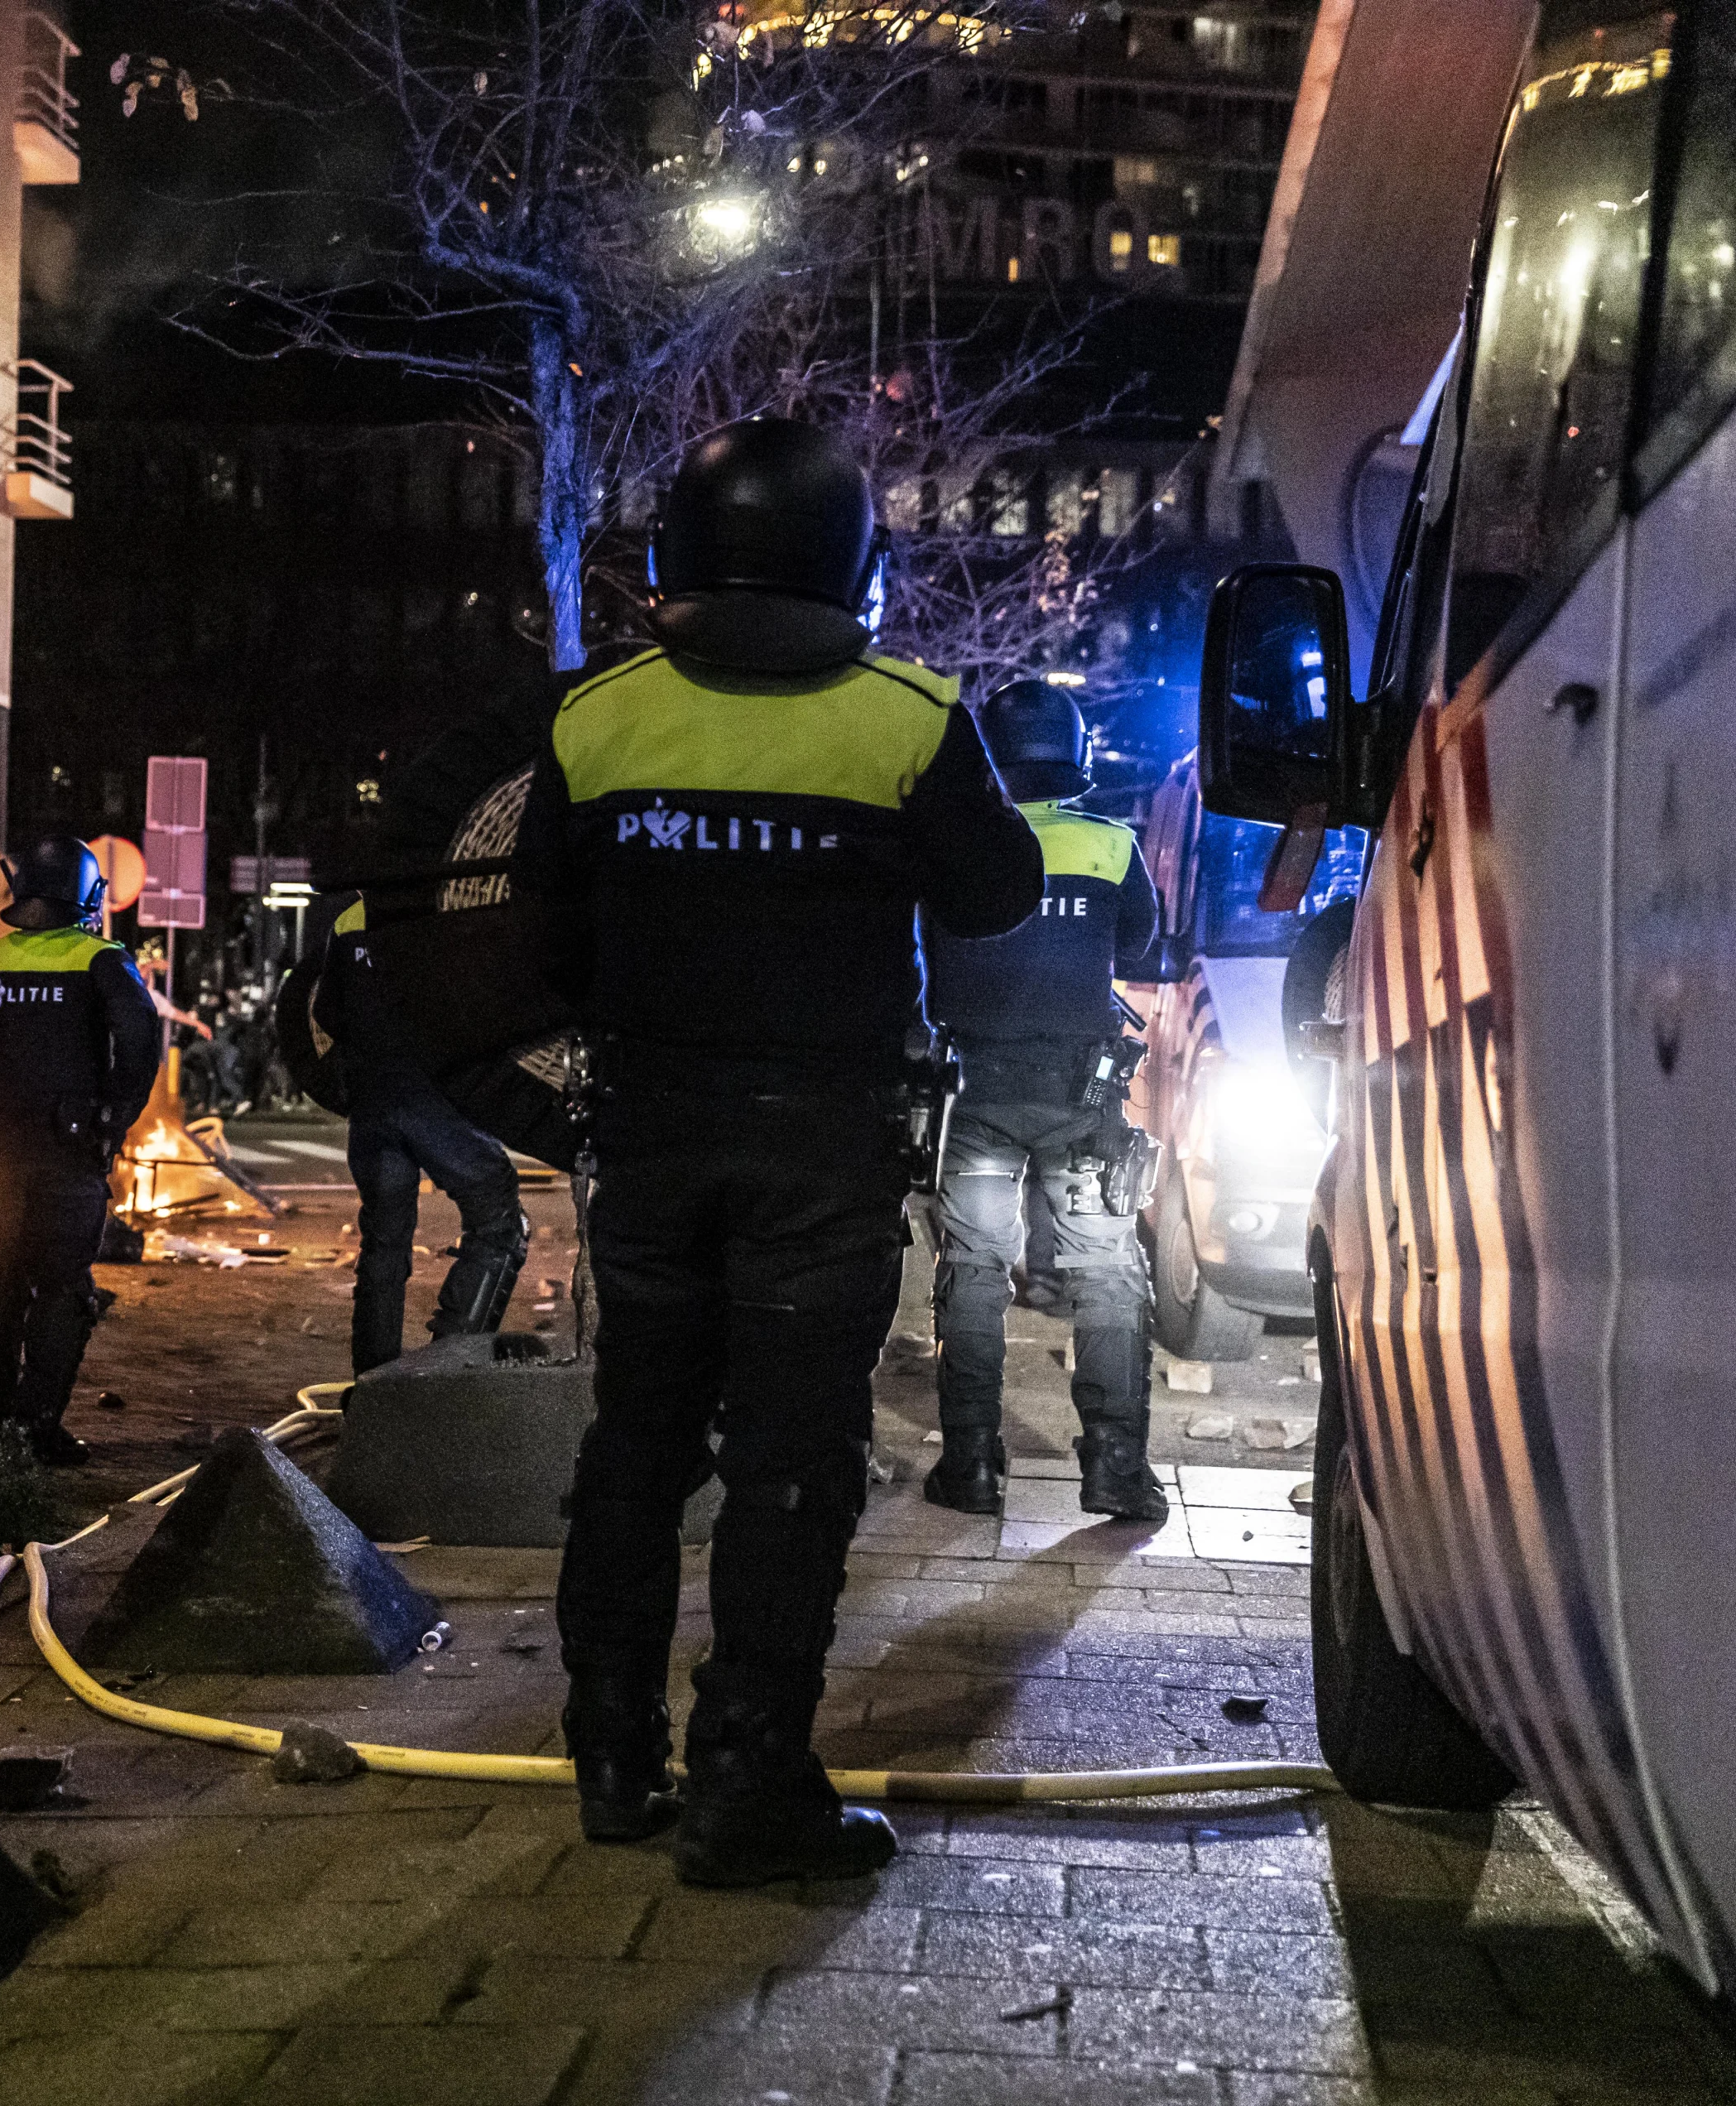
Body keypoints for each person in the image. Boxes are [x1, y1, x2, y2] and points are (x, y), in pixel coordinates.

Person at [517, 421, 1041, 1885]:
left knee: (637, 1443)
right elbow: (996, 897)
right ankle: (748, 1780)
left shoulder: (594, 720)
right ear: (856, 563)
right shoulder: (908, 717)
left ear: (674, 553)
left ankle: (614, 1759)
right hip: (822, 1145)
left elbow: (542, 938)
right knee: (792, 1464)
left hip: (653, 1137)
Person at [921, 679, 1171, 1522]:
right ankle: (1114, 1469)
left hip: (974, 1095)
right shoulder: (1109, 843)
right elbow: (1140, 943)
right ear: (1079, 755)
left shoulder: (951, 842)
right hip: (1081, 1096)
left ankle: (971, 1467)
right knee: (1107, 1274)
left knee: (974, 1274)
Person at [0, 836, 163, 1464]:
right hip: (69, 1152)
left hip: (0, 1155)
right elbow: (142, 1043)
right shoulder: (102, 960)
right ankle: (36, 1431)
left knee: (1, 1284)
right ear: (86, 892)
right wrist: (114, 1120)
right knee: (63, 1290)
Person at [319, 894, 531, 1372]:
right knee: (500, 1221)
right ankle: (446, 1373)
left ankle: (374, 1387)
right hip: (435, 1098)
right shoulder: (458, 905)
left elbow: (327, 1012)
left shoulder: (351, 918)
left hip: (372, 1104)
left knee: (384, 1245)